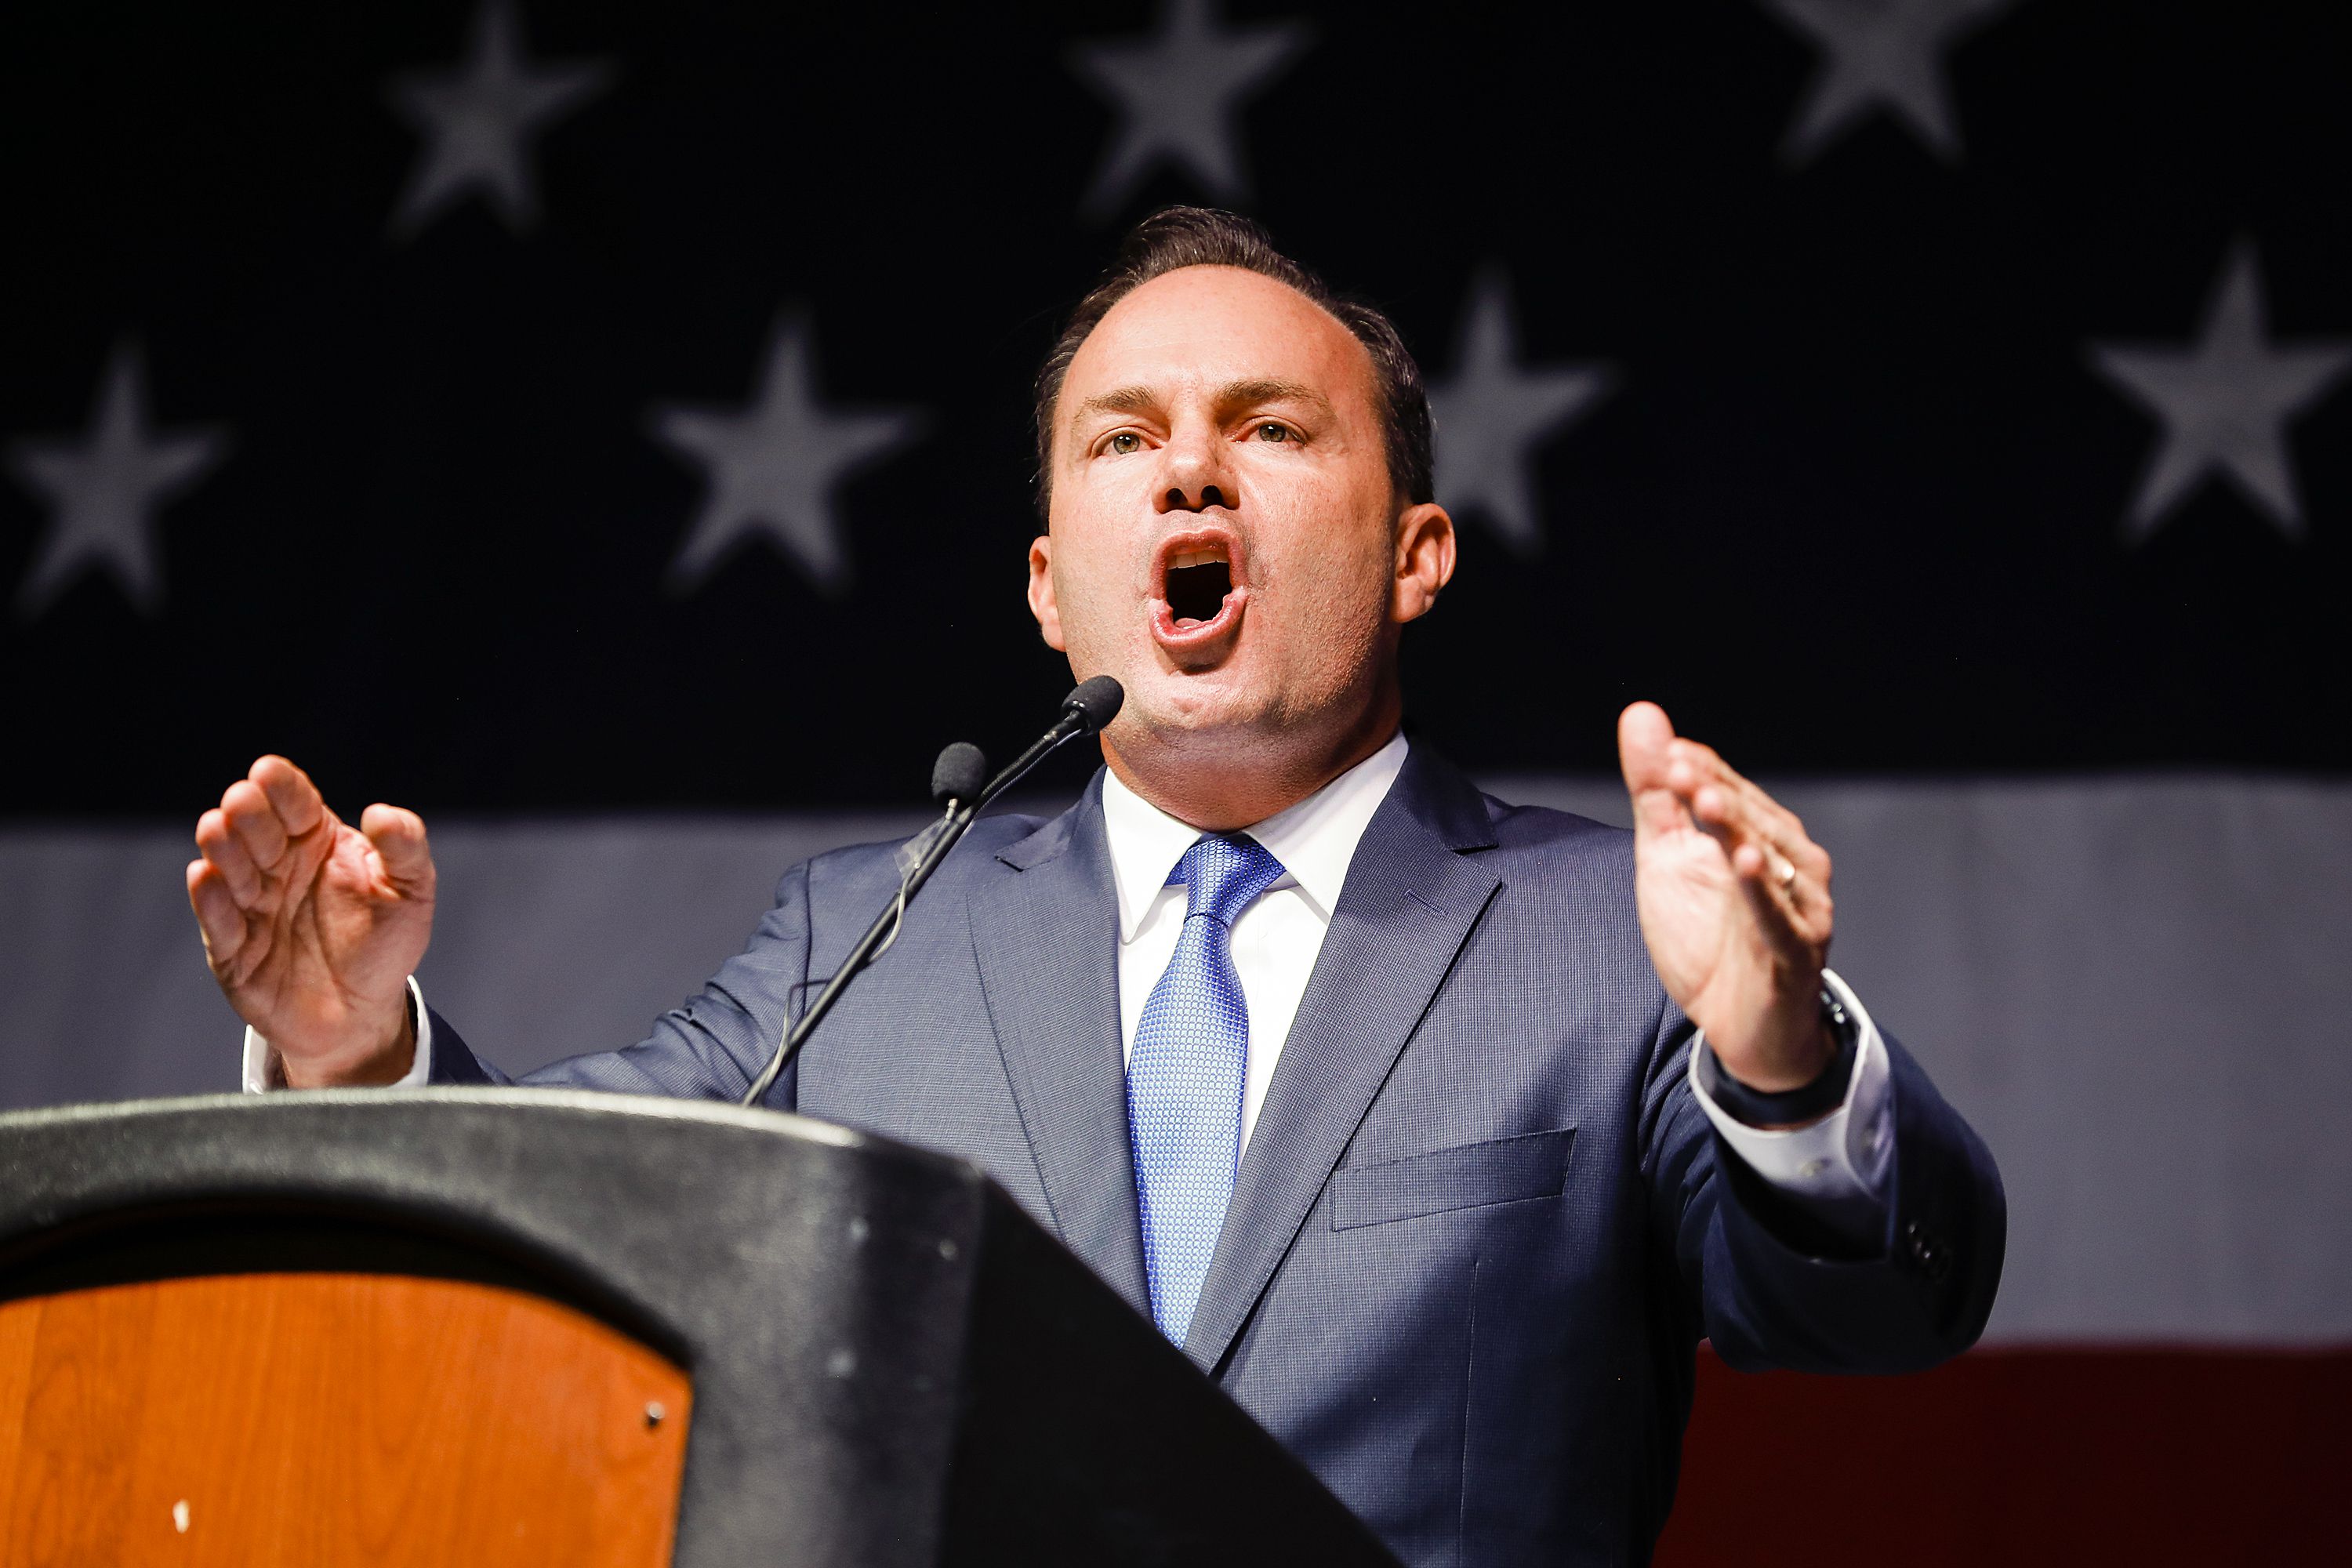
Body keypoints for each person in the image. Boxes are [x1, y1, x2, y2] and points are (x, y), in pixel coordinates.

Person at [185, 208, 2003, 1567]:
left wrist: (1778, 1051)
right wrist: (358, 1054)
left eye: (1274, 430)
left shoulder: (1607, 942)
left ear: (1419, 555)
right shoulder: (864, 936)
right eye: (1126, 439)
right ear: (1054, 585)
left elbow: (1877, 1308)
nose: (1192, 464)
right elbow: (571, 1233)